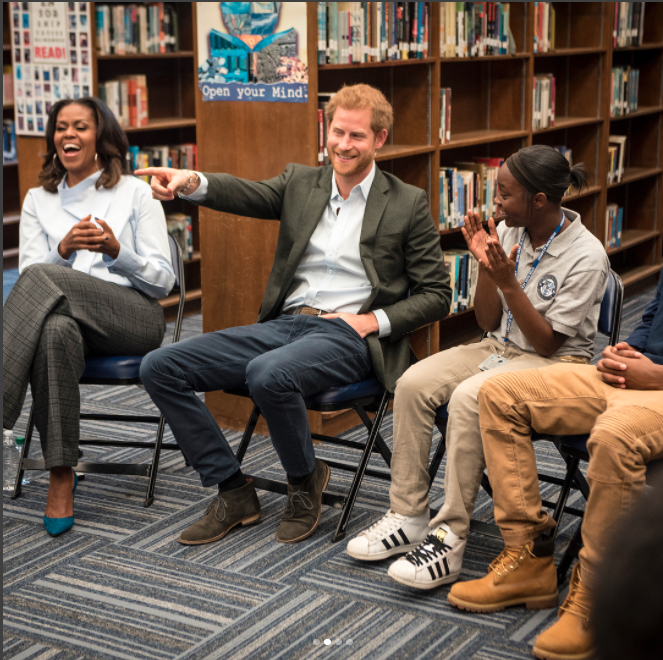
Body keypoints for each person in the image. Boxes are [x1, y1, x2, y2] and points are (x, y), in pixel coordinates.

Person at [135, 84, 451, 546]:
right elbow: (247, 194)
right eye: (338, 132)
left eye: (357, 136)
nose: (344, 144)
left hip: (348, 334)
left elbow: (437, 294)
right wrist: (190, 181)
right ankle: (232, 487)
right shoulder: (302, 182)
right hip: (286, 323)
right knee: (159, 366)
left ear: (379, 139)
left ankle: (304, 481)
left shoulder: (406, 202)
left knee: (268, 375)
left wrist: (369, 322)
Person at [347, 145, 610, 591]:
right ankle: (409, 514)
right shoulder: (509, 233)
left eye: (506, 195)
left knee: (472, 397)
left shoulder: (587, 255)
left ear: (539, 200)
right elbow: (487, 322)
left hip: (555, 365)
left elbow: (547, 343)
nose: (497, 204)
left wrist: (508, 281)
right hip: (498, 346)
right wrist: (487, 269)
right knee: (412, 382)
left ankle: (448, 537)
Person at [448, 272, 663, 660]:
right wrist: (626, 351)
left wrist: (658, 376)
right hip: (634, 376)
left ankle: (597, 596)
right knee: (499, 393)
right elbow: (653, 316)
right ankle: (528, 559)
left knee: (614, 436)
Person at [2, 97, 175, 537]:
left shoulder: (135, 191)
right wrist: (64, 251)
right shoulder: (38, 199)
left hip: (132, 317)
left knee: (44, 278)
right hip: (69, 322)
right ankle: (61, 474)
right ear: (52, 138)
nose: (69, 135)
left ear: (101, 136)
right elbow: (29, 286)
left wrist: (120, 253)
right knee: (54, 331)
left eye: (80, 126)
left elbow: (164, 282)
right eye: (61, 127)